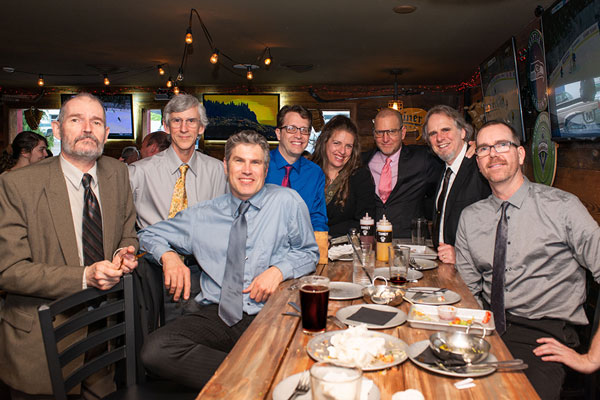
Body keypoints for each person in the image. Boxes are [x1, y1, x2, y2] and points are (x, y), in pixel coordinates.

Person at [138, 130, 318, 389]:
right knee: (155, 351)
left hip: (273, 313)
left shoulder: (287, 202)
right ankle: (258, 380)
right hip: (219, 314)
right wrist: (168, 256)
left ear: (265, 169)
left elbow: (308, 252)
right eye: (239, 161)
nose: (247, 170)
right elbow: (146, 234)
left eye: (255, 162)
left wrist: (278, 270)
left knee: (312, 356)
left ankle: (250, 382)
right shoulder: (201, 215)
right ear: (226, 165)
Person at [0, 92, 138, 399]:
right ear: (59, 129)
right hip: (41, 343)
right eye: (77, 120)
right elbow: (8, 270)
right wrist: (83, 277)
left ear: (106, 132)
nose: (87, 128)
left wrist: (122, 254)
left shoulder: (118, 174)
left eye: (96, 122)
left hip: (104, 337)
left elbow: (128, 232)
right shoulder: (18, 184)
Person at [455, 121, 600, 400]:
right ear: (478, 162)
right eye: (484, 148)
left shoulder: (562, 207)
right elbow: (469, 292)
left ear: (521, 155)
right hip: (487, 327)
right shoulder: (471, 218)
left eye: (502, 145)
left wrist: (593, 357)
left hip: (544, 334)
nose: (492, 154)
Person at [128, 94, 227, 321]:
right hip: (151, 273)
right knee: (152, 345)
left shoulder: (218, 171)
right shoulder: (138, 172)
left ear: (201, 128)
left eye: (191, 121)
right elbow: (123, 227)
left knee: (192, 343)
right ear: (166, 126)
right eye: (176, 121)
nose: (184, 128)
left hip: (200, 275)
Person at [422, 105, 490, 264]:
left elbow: (497, 228)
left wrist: (461, 255)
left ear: (463, 132)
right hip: (445, 268)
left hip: (473, 275)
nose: (439, 138)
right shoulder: (444, 169)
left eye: (446, 130)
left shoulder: (481, 165)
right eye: (433, 133)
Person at [362, 108, 442, 238]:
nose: (385, 139)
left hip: (412, 244)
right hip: (373, 243)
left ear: (403, 132)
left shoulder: (423, 158)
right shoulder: (362, 162)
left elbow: (451, 163)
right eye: (380, 132)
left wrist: (469, 149)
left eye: (392, 131)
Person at [265, 105, 328, 232]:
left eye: (304, 130)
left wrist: (320, 241)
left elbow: (317, 218)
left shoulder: (315, 173)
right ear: (278, 133)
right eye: (291, 129)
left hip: (301, 246)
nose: (298, 135)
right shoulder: (259, 165)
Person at [311, 115, 375, 237]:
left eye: (348, 146)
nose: (342, 151)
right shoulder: (309, 171)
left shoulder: (360, 176)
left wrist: (325, 234)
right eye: (337, 143)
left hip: (343, 250)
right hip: (305, 248)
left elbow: (365, 222)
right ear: (325, 142)